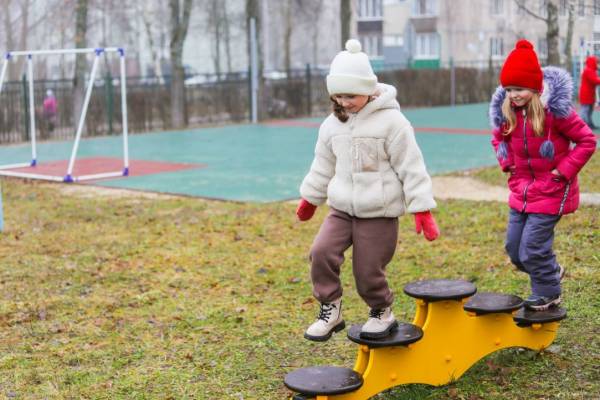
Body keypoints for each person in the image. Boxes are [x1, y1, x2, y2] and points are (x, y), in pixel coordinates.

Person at [296, 39, 439, 341]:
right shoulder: (331, 125)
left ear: (370, 90)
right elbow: (323, 164)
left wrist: (421, 208)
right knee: (321, 252)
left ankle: (381, 311)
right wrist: (310, 197)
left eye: (351, 95)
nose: (345, 102)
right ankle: (330, 308)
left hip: (379, 212)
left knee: (367, 270)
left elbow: (411, 166)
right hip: (342, 209)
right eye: (339, 96)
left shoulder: (393, 122)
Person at [490, 40, 596, 311]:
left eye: (520, 89)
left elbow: (587, 140)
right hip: (521, 190)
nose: (513, 94)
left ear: (536, 88)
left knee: (532, 249)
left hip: (552, 190)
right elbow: (498, 140)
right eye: (509, 89)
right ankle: (551, 270)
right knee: (515, 251)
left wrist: (563, 171)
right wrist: (506, 163)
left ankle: (548, 293)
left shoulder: (556, 113)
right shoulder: (508, 113)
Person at [579, 55, 600, 130]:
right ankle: (580, 126)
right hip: (586, 94)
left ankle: (589, 124)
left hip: (590, 94)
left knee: (589, 111)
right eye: (597, 62)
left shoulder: (591, 70)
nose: (598, 64)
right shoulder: (588, 71)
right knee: (585, 110)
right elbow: (595, 80)